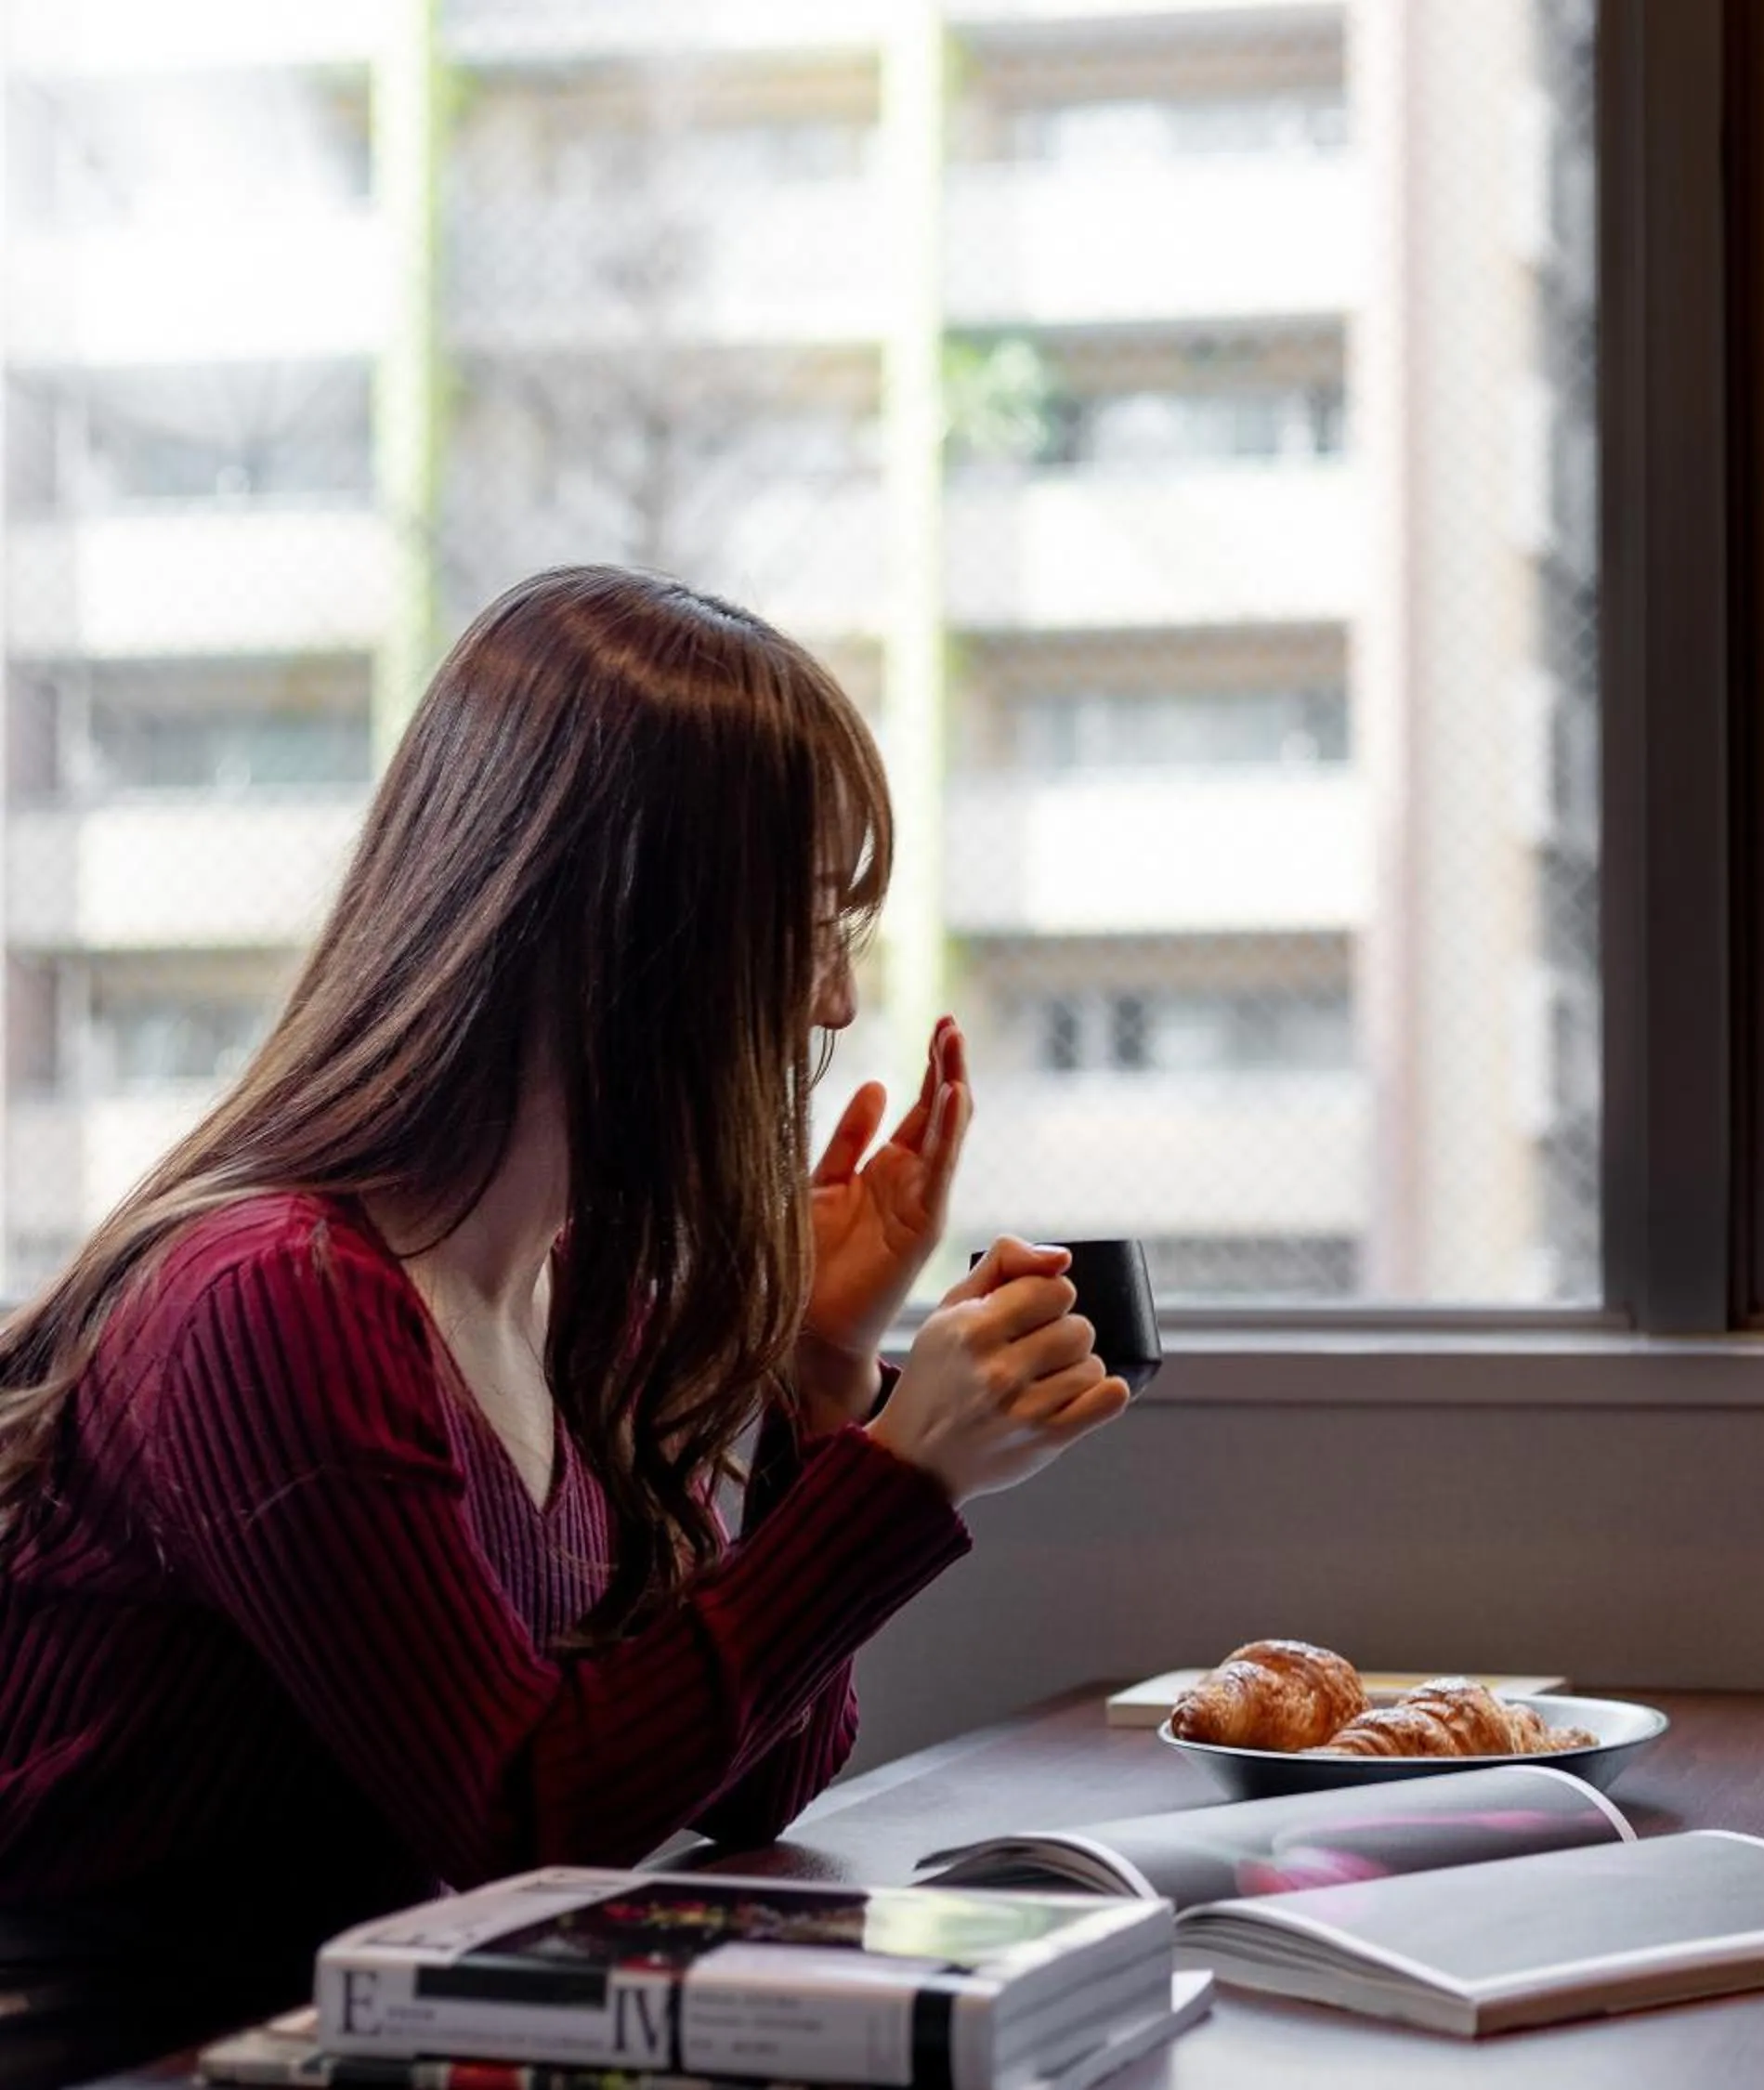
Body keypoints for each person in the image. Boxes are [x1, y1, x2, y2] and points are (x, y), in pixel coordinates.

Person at [0, 567, 1133, 2083]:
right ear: (631, 937)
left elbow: (756, 1781)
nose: (837, 1005)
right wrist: (899, 1478)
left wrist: (816, 1376)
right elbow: (522, 1827)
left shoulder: (578, 1290)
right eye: (805, 929)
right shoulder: (274, 1296)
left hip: (364, 2032)